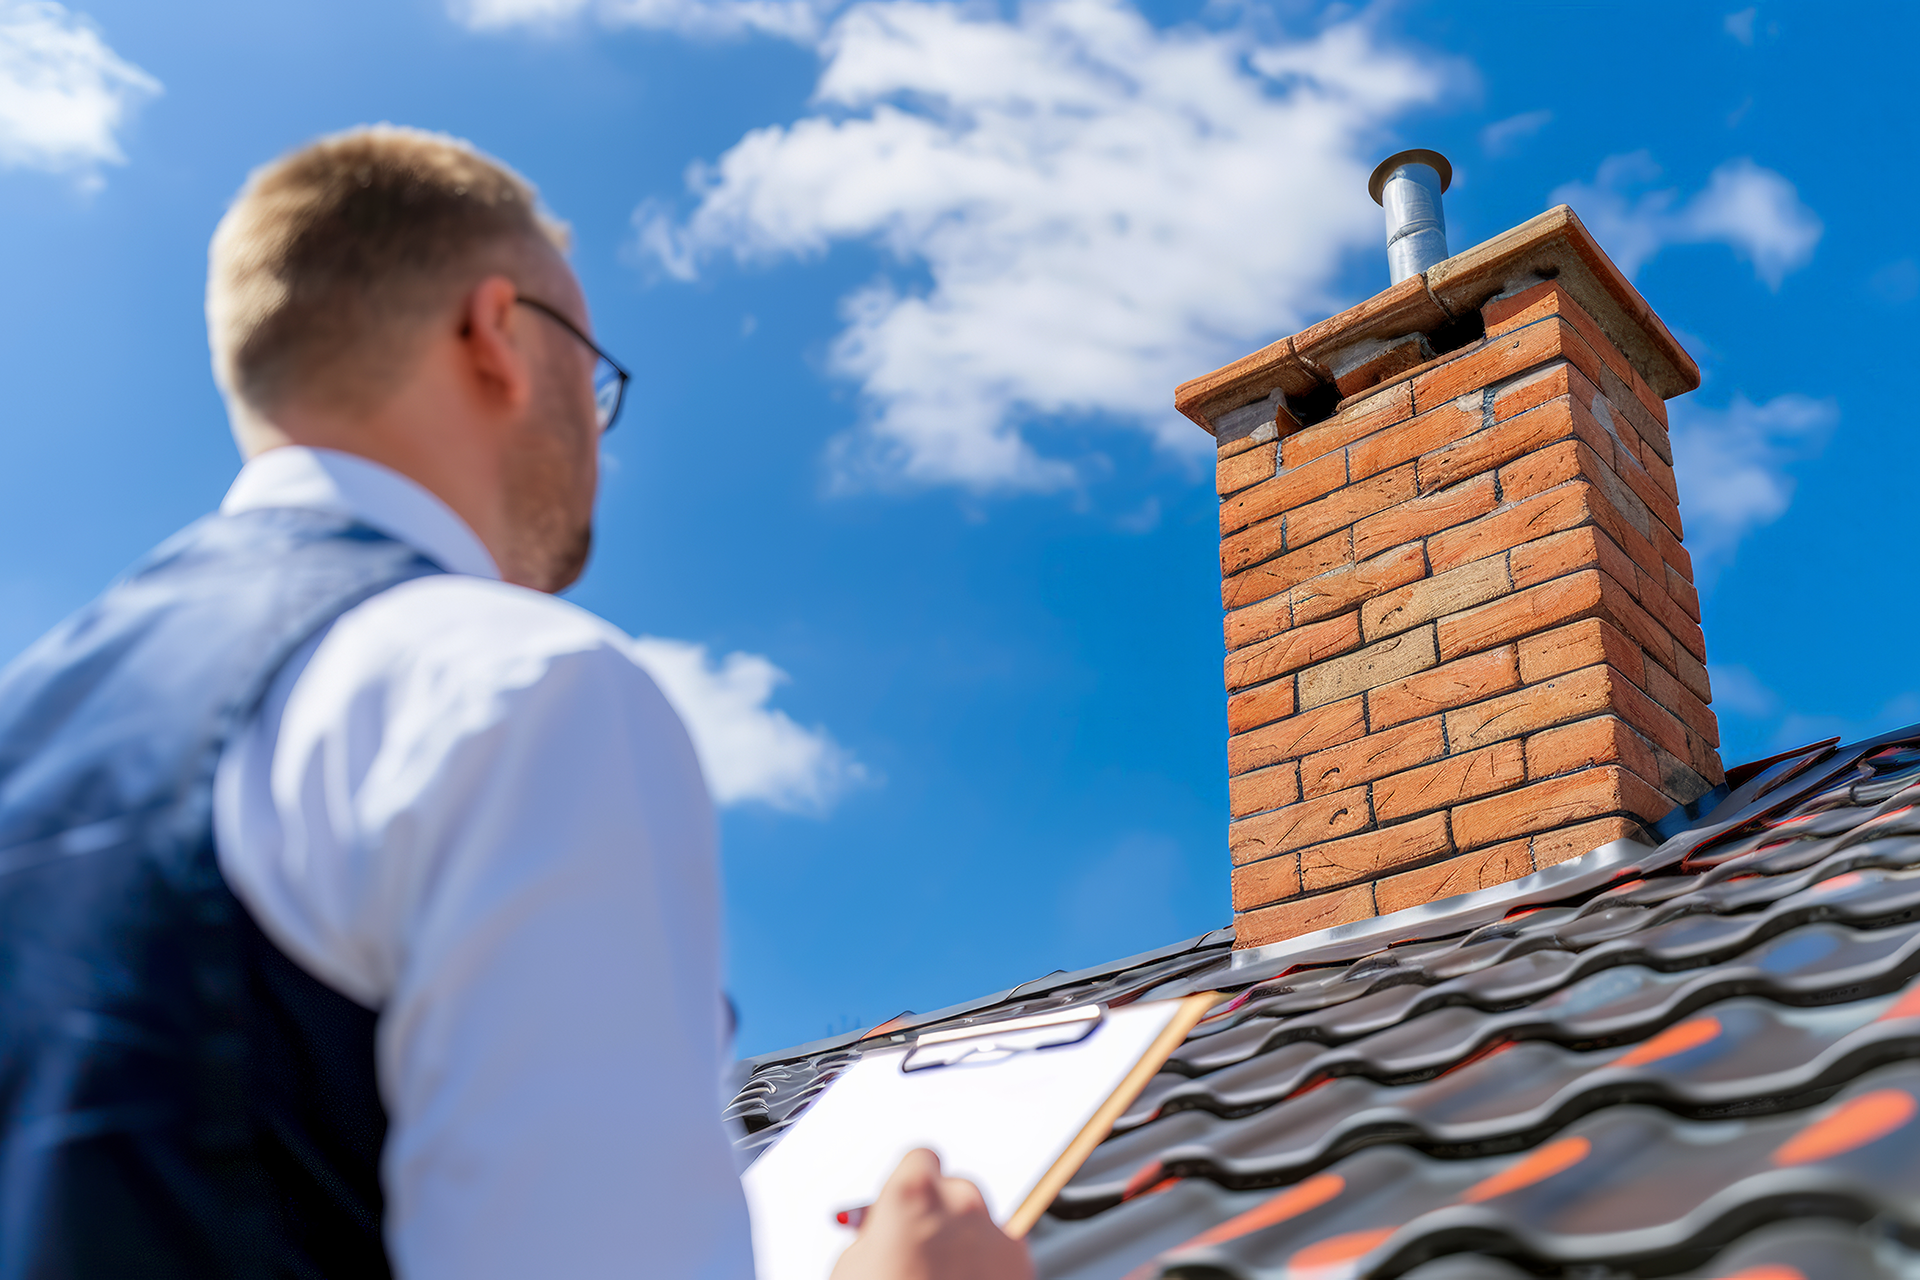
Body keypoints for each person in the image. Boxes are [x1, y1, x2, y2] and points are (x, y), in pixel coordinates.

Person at [0, 125, 1032, 1280]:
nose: (596, 428)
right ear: (497, 333)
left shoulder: (27, 719)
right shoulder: (509, 682)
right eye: (591, 374)